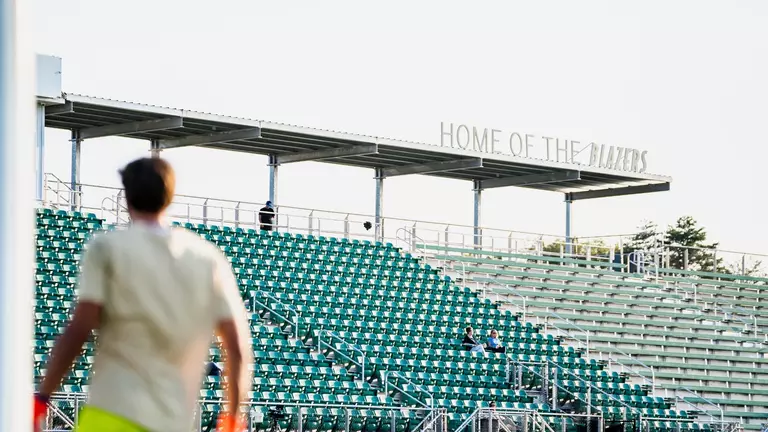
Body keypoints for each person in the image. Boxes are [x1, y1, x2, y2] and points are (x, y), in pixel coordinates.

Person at [34, 157, 253, 432]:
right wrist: (232, 417)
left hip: (112, 413)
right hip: (172, 422)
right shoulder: (207, 259)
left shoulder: (107, 248)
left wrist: (43, 396)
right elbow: (236, 346)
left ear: (127, 198)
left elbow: (80, 328)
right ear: (170, 197)